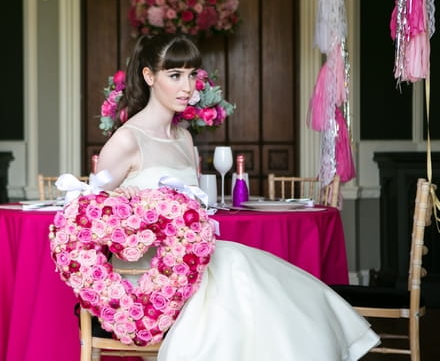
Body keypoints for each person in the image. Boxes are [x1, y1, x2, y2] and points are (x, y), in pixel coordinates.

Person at [97, 34, 379, 360]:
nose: (187, 87)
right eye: (175, 76)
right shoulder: (128, 140)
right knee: (238, 269)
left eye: (192, 75)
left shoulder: (183, 138)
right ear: (149, 77)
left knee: (255, 277)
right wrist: (122, 199)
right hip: (147, 272)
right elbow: (89, 209)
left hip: (193, 258)